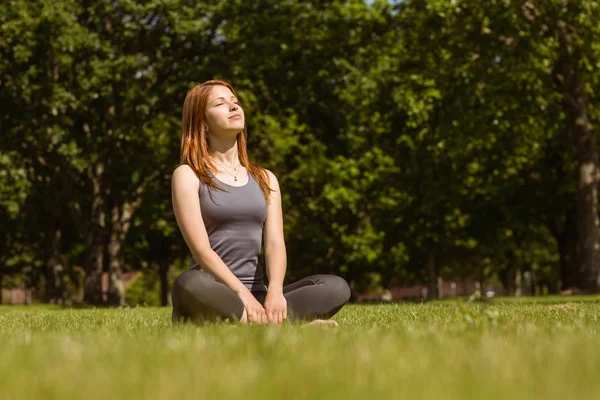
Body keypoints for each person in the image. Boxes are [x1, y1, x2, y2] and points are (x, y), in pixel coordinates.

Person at [170, 79, 351, 326]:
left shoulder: (265, 179)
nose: (234, 107)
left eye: (235, 102)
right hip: (213, 291)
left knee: (335, 287)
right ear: (202, 123)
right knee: (188, 283)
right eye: (221, 104)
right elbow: (201, 250)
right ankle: (281, 326)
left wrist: (275, 292)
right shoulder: (188, 175)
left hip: (259, 294)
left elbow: (275, 243)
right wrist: (242, 295)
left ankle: (252, 322)